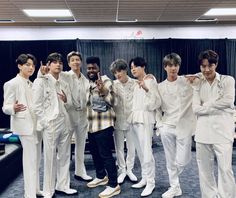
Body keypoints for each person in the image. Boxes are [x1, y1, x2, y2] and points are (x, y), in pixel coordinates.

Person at [38, 51, 92, 181]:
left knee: (81, 146)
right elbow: (48, 74)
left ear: (81, 62)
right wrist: (41, 72)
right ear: (68, 63)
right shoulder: (65, 75)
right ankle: (60, 178)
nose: (75, 62)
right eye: (72, 60)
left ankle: (80, 171)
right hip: (68, 115)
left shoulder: (85, 79)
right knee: (64, 149)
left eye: (77, 59)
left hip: (82, 116)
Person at [32, 53, 77, 198]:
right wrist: (46, 122)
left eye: (60, 62)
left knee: (65, 156)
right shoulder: (41, 81)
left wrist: (66, 100)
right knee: (50, 158)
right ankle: (48, 190)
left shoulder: (64, 82)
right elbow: (36, 106)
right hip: (51, 123)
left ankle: (63, 185)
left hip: (65, 121)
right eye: (54, 62)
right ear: (48, 65)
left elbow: (70, 103)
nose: (58, 64)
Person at [192, 50, 236, 198]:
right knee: (204, 171)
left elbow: (229, 101)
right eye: (203, 66)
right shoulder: (198, 83)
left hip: (223, 132)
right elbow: (195, 108)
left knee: (225, 169)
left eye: (210, 65)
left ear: (216, 64)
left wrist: (207, 105)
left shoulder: (227, 80)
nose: (206, 70)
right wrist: (217, 105)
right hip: (203, 133)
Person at [2, 54, 43, 198]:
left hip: (36, 126)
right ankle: (29, 194)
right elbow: (5, 107)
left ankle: (36, 190)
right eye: (27, 64)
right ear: (20, 66)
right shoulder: (11, 83)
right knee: (30, 161)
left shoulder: (31, 84)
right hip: (24, 126)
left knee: (37, 160)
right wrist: (13, 107)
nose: (31, 67)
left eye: (33, 65)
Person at [156, 53, 196, 198]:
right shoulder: (159, 87)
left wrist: (194, 78)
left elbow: (203, 76)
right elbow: (156, 108)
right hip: (167, 126)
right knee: (169, 159)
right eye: (170, 65)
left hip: (184, 126)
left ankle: (174, 179)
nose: (173, 68)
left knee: (183, 159)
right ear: (165, 67)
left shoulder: (187, 80)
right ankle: (175, 186)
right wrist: (160, 125)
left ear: (179, 66)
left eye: (176, 65)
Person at [86, 56, 121, 198]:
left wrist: (104, 91)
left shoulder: (106, 81)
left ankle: (114, 184)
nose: (91, 70)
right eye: (88, 68)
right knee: (95, 153)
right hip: (91, 125)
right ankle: (101, 176)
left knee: (106, 155)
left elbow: (115, 102)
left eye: (93, 68)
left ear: (99, 68)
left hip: (104, 125)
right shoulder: (88, 83)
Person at [128, 57, 160, 197]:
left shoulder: (150, 80)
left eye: (135, 66)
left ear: (143, 67)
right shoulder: (136, 83)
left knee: (147, 152)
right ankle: (145, 178)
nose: (133, 69)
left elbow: (156, 102)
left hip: (145, 118)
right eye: (131, 68)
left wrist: (147, 89)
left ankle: (151, 182)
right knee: (140, 151)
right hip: (135, 119)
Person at [109, 59, 137, 184]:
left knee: (131, 147)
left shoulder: (135, 83)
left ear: (125, 70)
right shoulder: (113, 84)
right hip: (118, 120)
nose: (118, 74)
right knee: (119, 148)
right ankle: (122, 170)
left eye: (119, 71)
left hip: (132, 121)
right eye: (115, 72)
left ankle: (130, 169)